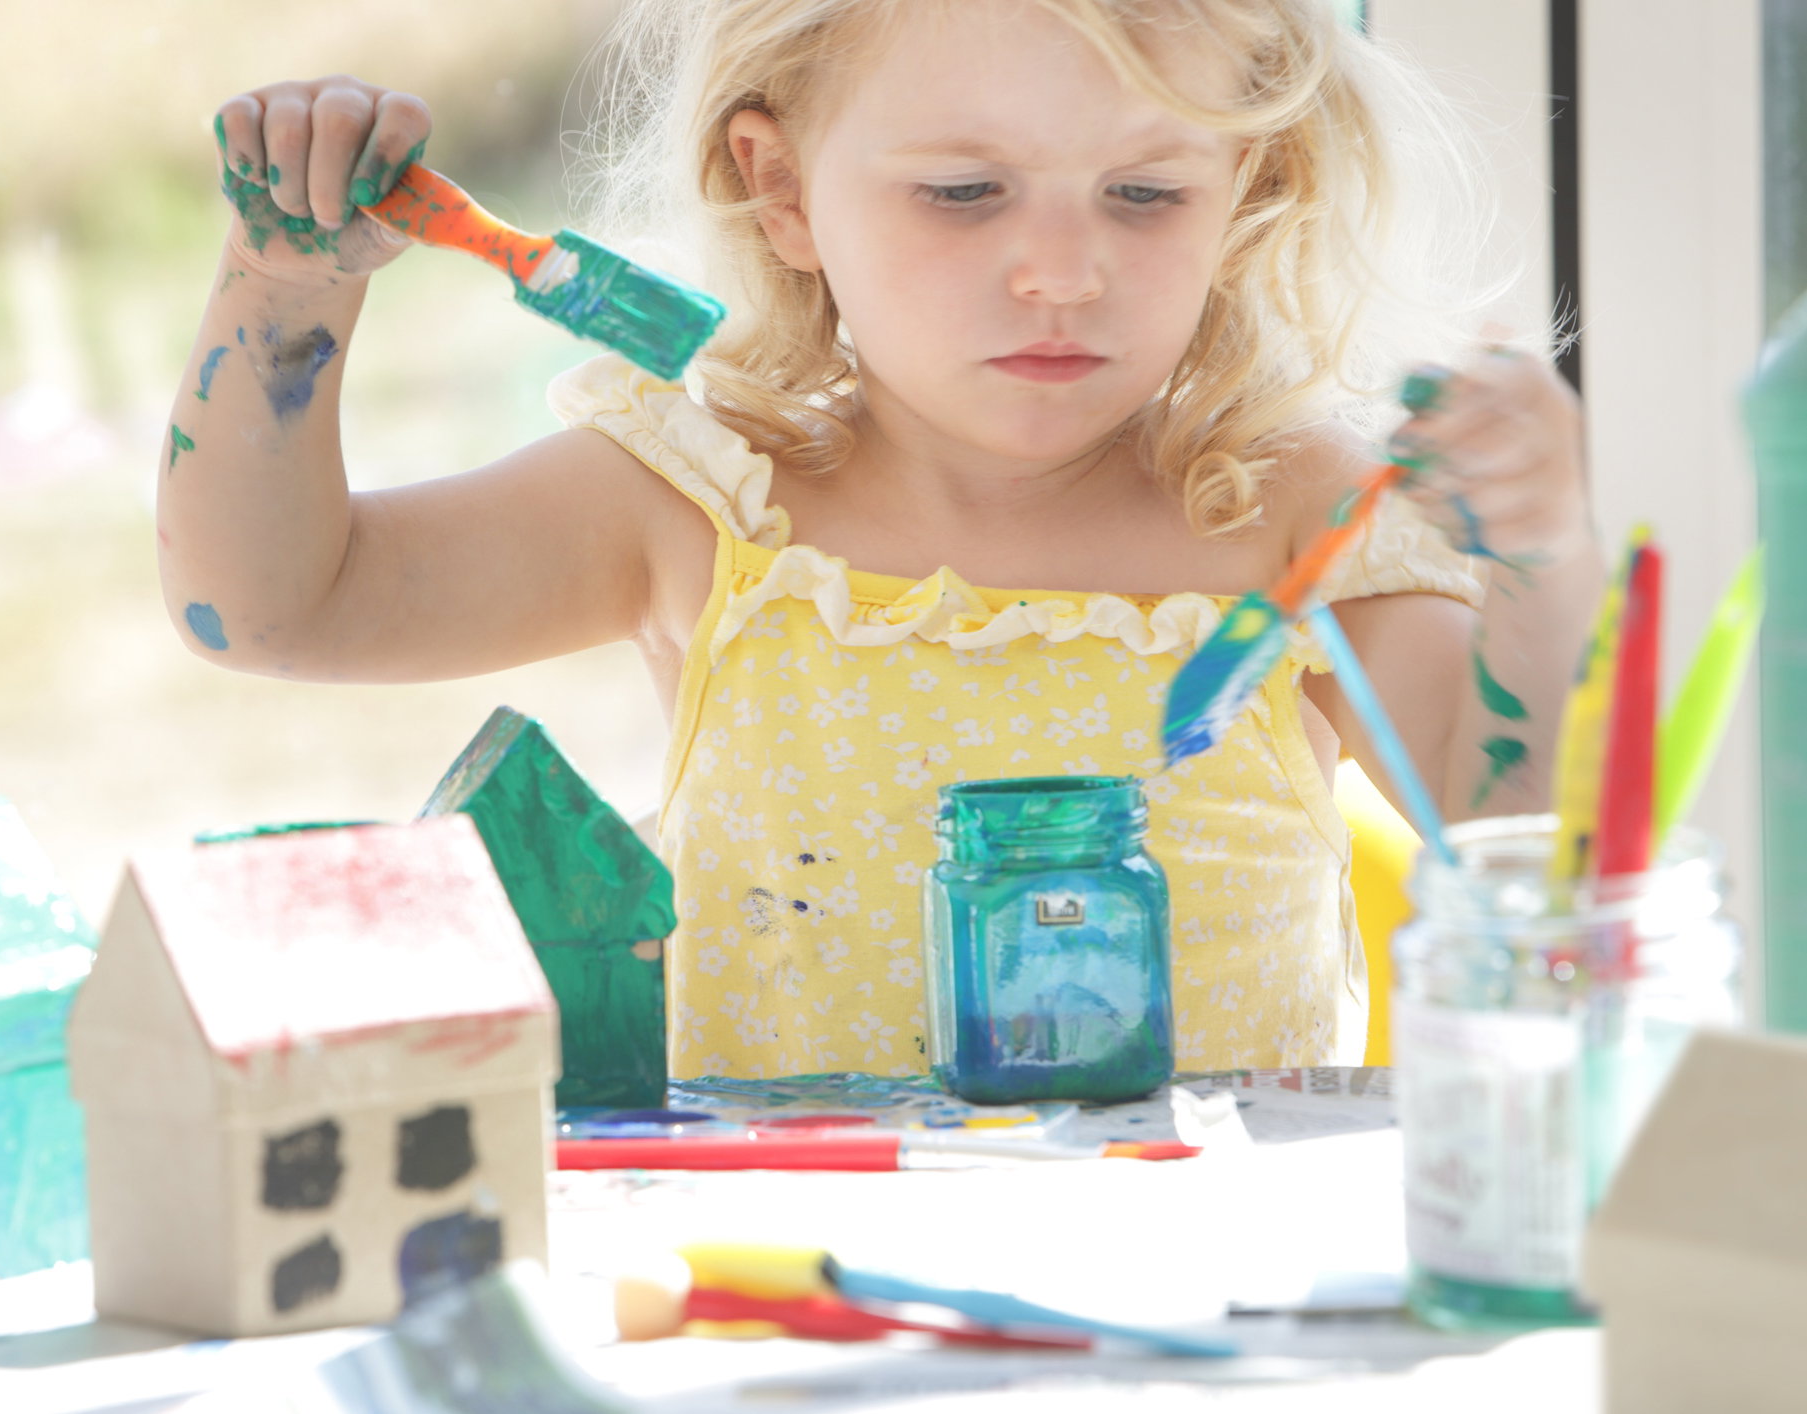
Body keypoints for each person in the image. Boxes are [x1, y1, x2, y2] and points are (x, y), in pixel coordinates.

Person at [158, 0, 1602, 1079]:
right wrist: (282, 289)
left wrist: (1538, 550)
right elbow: (281, 607)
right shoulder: (703, 496)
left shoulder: (1292, 513)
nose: (1060, 271)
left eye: (1147, 193)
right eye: (962, 194)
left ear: (1246, 188)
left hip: (1207, 1308)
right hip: (800, 1292)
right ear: (780, 190)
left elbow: (1539, 847)